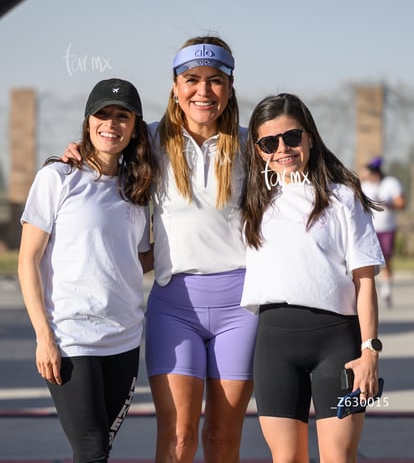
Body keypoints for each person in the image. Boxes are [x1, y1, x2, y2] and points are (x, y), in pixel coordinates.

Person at [62, 36, 258, 463]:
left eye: (215, 81)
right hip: (174, 307)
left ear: (230, 87)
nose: (202, 92)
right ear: (174, 85)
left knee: (223, 437)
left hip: (240, 308)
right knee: (179, 437)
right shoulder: (148, 140)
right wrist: (73, 154)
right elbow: (103, 153)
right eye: (191, 80)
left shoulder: (252, 145)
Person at [18, 78, 159, 463]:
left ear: (134, 128)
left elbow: (138, 258)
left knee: (99, 451)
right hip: (69, 337)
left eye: (122, 117)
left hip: (124, 339)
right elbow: (28, 260)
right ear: (87, 122)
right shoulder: (58, 178)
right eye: (102, 114)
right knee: (92, 450)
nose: (111, 124)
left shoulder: (138, 186)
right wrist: (43, 336)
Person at [240, 93, 385, 463]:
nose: (282, 149)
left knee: (338, 458)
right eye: (269, 142)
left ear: (309, 137)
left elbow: (364, 281)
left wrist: (370, 350)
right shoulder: (252, 202)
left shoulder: (343, 198)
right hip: (274, 346)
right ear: (258, 150)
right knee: (286, 459)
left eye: (292, 137)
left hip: (336, 345)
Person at [361, 156, 406, 307]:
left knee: (386, 260)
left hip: (387, 228)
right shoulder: (364, 186)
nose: (370, 177)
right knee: (369, 262)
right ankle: (370, 291)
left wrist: (387, 203)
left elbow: (401, 203)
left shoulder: (390, 183)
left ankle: (386, 290)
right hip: (369, 229)